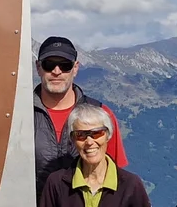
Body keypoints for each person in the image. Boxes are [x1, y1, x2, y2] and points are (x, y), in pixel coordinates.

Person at [32, 36, 126, 186]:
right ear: (38, 67)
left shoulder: (101, 114)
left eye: (65, 65)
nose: (57, 71)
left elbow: (117, 174)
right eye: (49, 65)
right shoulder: (20, 116)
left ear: (75, 68)